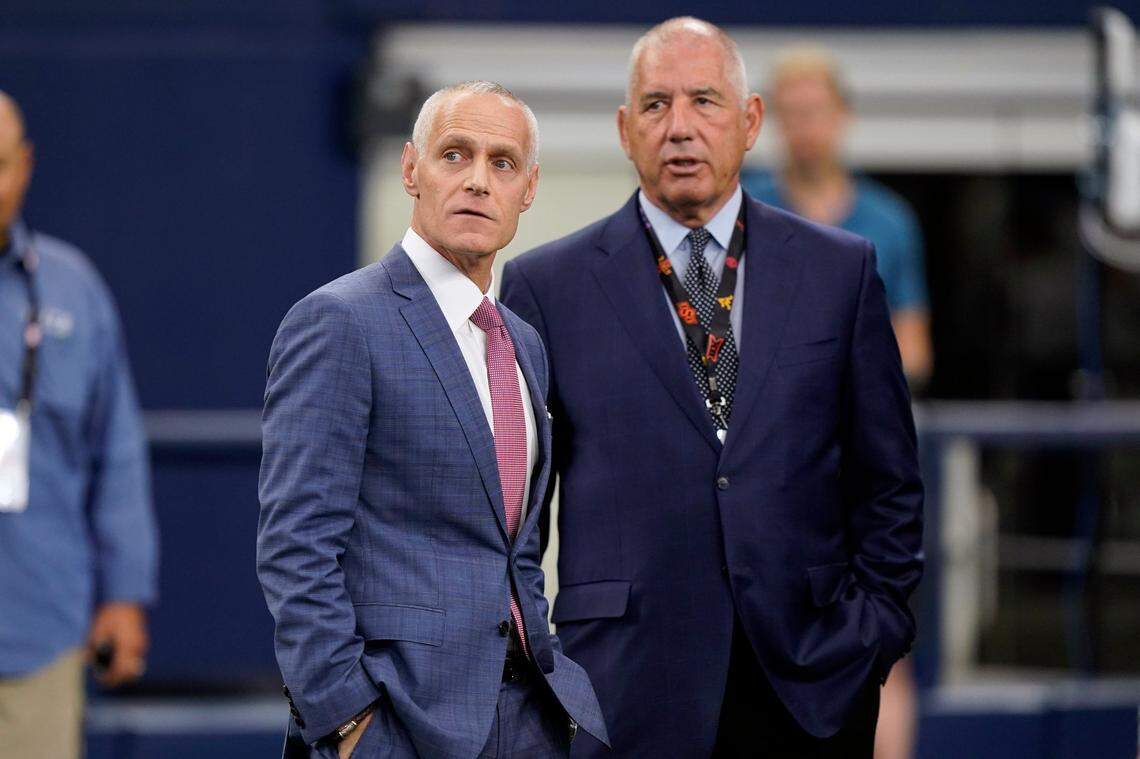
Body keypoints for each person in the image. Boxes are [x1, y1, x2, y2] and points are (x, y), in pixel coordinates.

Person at [500, 17, 923, 759]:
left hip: (810, 685)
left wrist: (872, 630)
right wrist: (542, 670)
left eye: (705, 100)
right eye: (657, 106)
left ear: (751, 121)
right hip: (623, 689)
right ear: (625, 131)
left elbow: (888, 481)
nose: (680, 127)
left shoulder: (841, 271)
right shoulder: (545, 287)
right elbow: (516, 518)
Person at [257, 80, 607, 759]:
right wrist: (349, 724)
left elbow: (516, 550)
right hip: (396, 722)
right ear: (411, 169)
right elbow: (296, 546)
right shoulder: (339, 321)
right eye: (455, 155)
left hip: (528, 717)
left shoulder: (521, 342)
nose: (478, 180)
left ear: (527, 189)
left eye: (501, 163)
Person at [0, 91, 157, 759]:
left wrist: (124, 593)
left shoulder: (73, 291)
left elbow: (115, 452)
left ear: (25, 166)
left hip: (36, 629)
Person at [744, 46, 933, 389]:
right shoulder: (742, 211)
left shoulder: (890, 221)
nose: (806, 128)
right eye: (793, 114)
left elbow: (914, 350)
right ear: (772, 122)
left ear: (843, 115)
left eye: (815, 111)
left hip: (859, 422)